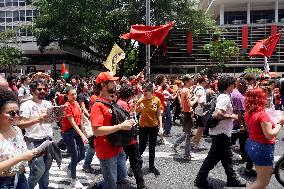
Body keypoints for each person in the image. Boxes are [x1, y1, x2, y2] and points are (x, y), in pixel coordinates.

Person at [194, 76, 246, 188]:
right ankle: (200, 179)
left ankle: (232, 179)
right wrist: (233, 116)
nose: (235, 86)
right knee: (212, 158)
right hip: (221, 133)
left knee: (227, 158)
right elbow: (217, 114)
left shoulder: (222, 95)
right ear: (229, 85)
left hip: (221, 132)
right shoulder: (225, 97)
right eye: (233, 84)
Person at [90, 72, 135, 189]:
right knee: (111, 185)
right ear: (104, 85)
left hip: (118, 147)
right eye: (112, 82)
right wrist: (121, 126)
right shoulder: (97, 106)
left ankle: (98, 186)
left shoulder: (110, 102)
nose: (115, 84)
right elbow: (96, 131)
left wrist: (128, 122)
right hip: (106, 150)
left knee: (121, 175)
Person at [244, 88, 284, 189]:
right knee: (262, 183)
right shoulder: (262, 115)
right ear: (260, 99)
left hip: (251, 144)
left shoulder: (248, 112)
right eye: (264, 97)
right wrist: (280, 124)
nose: (267, 99)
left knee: (262, 177)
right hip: (262, 148)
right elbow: (270, 134)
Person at [0, 87, 38, 189]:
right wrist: (21, 158)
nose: (16, 116)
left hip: (20, 178)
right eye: (12, 113)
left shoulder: (17, 130)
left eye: (18, 112)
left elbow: (21, 153)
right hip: (3, 182)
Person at [19, 80, 53, 189]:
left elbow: (51, 121)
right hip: (34, 141)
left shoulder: (48, 103)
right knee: (38, 170)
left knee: (46, 170)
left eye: (44, 89)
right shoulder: (26, 105)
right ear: (33, 90)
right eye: (39, 89)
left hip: (48, 140)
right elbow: (20, 124)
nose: (43, 91)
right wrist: (37, 120)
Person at [116, 84, 147, 189]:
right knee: (136, 161)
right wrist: (134, 109)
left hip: (122, 137)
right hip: (129, 138)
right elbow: (129, 119)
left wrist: (136, 110)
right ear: (129, 95)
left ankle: (119, 179)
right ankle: (140, 185)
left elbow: (131, 115)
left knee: (122, 159)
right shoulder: (124, 104)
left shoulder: (119, 103)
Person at [61, 87, 88, 188]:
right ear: (67, 95)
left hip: (77, 131)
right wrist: (82, 135)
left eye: (75, 94)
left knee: (82, 155)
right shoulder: (66, 106)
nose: (74, 96)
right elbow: (72, 123)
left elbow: (81, 116)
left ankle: (69, 167)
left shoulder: (76, 103)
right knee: (74, 156)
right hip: (68, 132)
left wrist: (89, 123)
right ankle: (73, 179)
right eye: (72, 94)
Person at [136, 82, 163, 175]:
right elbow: (135, 112)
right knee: (142, 147)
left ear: (151, 91)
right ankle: (135, 166)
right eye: (143, 90)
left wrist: (161, 127)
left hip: (153, 126)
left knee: (152, 147)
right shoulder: (141, 100)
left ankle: (152, 167)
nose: (144, 92)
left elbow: (159, 114)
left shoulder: (157, 100)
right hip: (143, 126)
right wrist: (139, 108)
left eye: (146, 91)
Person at [172, 74, 197, 160]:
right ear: (187, 81)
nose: (192, 81)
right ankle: (186, 154)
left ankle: (176, 144)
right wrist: (197, 98)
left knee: (187, 132)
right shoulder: (187, 91)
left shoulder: (183, 90)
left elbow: (183, 103)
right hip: (187, 114)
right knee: (188, 134)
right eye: (191, 80)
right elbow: (190, 104)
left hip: (185, 112)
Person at [192, 76, 208, 149]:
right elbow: (202, 102)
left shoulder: (197, 88)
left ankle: (194, 141)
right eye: (206, 80)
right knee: (201, 128)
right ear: (203, 82)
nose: (208, 81)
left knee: (198, 127)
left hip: (196, 110)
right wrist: (209, 106)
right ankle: (196, 144)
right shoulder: (201, 90)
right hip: (200, 111)